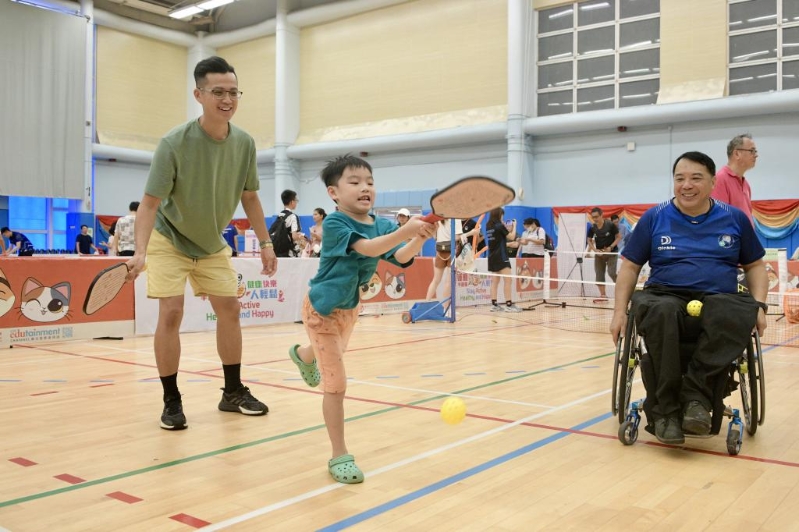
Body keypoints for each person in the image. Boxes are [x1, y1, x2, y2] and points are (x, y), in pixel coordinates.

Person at [124, 56, 278, 431]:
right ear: (199, 94)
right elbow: (149, 204)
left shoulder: (244, 143)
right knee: (171, 313)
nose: (227, 99)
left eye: (233, 92)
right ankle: (172, 400)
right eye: (218, 92)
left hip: (211, 244)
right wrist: (140, 251)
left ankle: (232, 393)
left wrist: (266, 242)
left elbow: (251, 198)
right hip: (169, 238)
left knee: (231, 310)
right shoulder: (174, 143)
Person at [287, 155, 435, 484]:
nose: (365, 188)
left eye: (369, 182)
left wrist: (419, 238)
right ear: (334, 193)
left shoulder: (382, 223)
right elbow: (368, 249)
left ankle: (302, 354)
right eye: (354, 182)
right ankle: (339, 455)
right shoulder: (337, 223)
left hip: (350, 309)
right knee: (336, 384)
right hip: (322, 310)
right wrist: (407, 229)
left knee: (330, 353)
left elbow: (398, 257)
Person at [610, 151, 768, 445]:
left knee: (734, 311)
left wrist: (759, 305)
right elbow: (630, 267)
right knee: (659, 311)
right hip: (664, 293)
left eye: (696, 178)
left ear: (712, 183)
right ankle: (666, 412)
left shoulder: (734, 218)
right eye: (680, 178)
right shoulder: (654, 217)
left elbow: (756, 266)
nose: (686, 185)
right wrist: (619, 312)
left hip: (719, 295)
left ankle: (695, 396)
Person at [712, 133, 758, 223]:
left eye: (755, 151)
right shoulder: (720, 179)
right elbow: (720, 219)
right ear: (737, 153)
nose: (756, 155)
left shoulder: (746, 184)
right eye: (752, 151)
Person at [486, 208, 520, 312]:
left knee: (495, 282)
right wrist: (514, 226)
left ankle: (494, 305)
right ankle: (509, 305)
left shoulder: (488, 225)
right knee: (508, 280)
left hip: (492, 257)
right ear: (499, 215)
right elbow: (512, 236)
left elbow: (498, 238)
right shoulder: (499, 226)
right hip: (501, 256)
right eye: (502, 215)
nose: (503, 217)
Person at [425, 218, 463, 301]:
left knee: (435, 280)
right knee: (448, 282)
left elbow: (434, 236)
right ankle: (446, 309)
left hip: (439, 251)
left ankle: (426, 303)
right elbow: (457, 237)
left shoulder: (438, 218)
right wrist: (470, 233)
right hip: (451, 251)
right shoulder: (456, 218)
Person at [586, 207, 620, 300]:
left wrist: (611, 247)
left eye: (596, 216)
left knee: (611, 273)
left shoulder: (610, 225)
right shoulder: (593, 227)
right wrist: (594, 249)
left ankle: (622, 291)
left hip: (611, 253)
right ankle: (603, 295)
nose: (595, 219)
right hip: (599, 254)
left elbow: (618, 237)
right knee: (599, 274)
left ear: (602, 215)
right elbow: (589, 240)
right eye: (593, 217)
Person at [278, 189, 305, 257]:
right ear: (292, 202)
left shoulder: (280, 215)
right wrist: (301, 238)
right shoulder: (293, 216)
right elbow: (294, 236)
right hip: (290, 251)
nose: (296, 203)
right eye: (296, 200)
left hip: (279, 249)